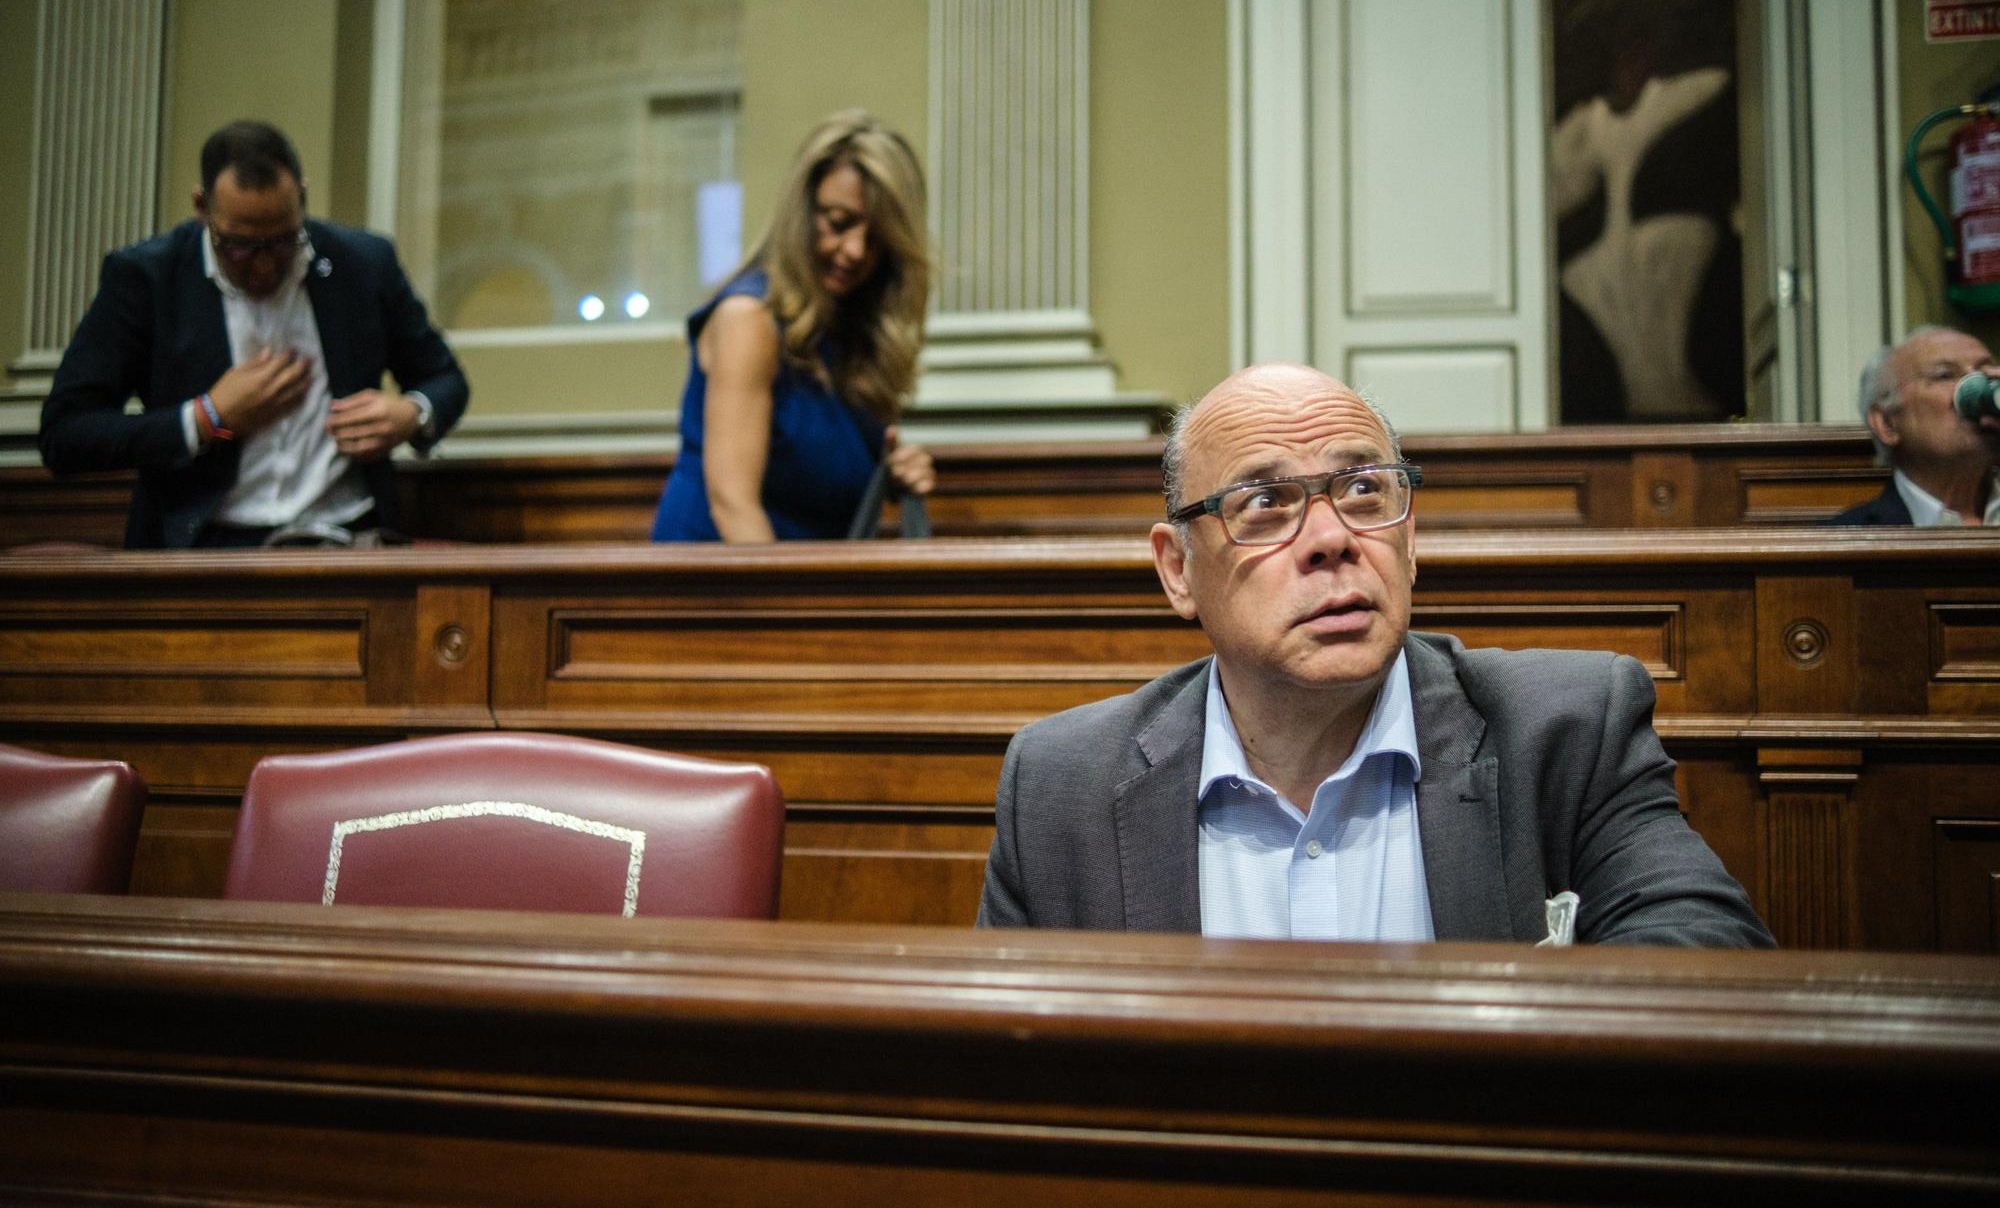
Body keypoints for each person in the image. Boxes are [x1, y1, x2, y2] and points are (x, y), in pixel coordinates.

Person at [978, 363, 1772, 947]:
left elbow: (1711, 960)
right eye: (1264, 502)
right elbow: (1000, 1082)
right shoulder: (1061, 784)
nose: (1333, 539)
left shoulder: (1566, 727)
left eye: (1364, 491)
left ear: (1411, 536)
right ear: (1178, 570)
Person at [39, 120, 467, 549]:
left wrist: (412, 414)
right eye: (239, 246)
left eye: (282, 242)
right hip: (208, 550)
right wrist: (208, 419)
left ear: (302, 197)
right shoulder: (147, 279)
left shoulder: (363, 263)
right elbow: (66, 435)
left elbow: (446, 380)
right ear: (201, 207)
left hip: (349, 537)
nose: (263, 267)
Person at [650, 110, 934, 542]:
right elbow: (733, 505)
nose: (856, 250)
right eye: (838, 223)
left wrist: (890, 472)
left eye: (876, 238)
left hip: (800, 589)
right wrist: (795, 609)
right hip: (721, 589)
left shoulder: (848, 333)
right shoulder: (750, 319)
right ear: (801, 212)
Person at [1827, 327, 2000, 526]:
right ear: (1887, 423)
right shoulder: (1843, 542)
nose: (1978, 387)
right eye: (1944, 375)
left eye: (1986, 374)